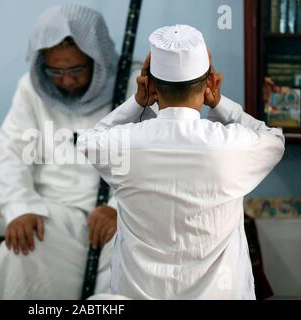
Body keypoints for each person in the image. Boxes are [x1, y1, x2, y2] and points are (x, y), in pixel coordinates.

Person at [77, 24, 285, 299]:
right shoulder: (232, 145)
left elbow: (89, 140)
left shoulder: (125, 145)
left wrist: (137, 103)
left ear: (150, 84)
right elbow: (273, 139)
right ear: (209, 83)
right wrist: (220, 103)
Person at [0, 4, 138, 299]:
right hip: (53, 215)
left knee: (135, 265)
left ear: (98, 59)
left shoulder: (133, 85)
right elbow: (12, 153)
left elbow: (154, 160)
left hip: (120, 220)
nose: (67, 80)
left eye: (76, 69)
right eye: (56, 71)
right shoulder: (31, 89)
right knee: (17, 256)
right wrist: (21, 209)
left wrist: (119, 210)